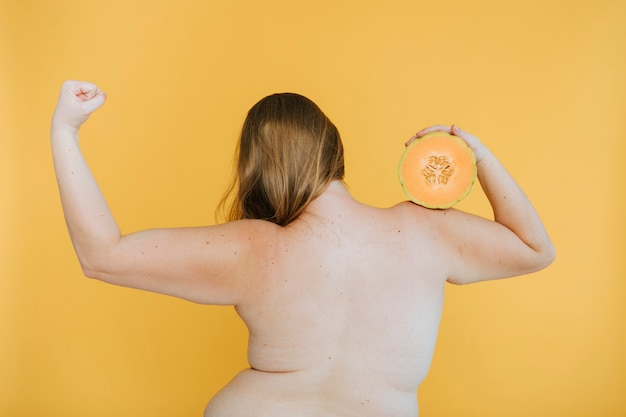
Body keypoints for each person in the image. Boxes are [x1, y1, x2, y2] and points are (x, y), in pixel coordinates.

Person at [51, 80, 555, 417]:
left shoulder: (250, 248)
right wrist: (479, 156)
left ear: (253, 169)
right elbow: (534, 248)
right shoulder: (426, 232)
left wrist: (66, 131)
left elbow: (103, 255)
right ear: (335, 150)